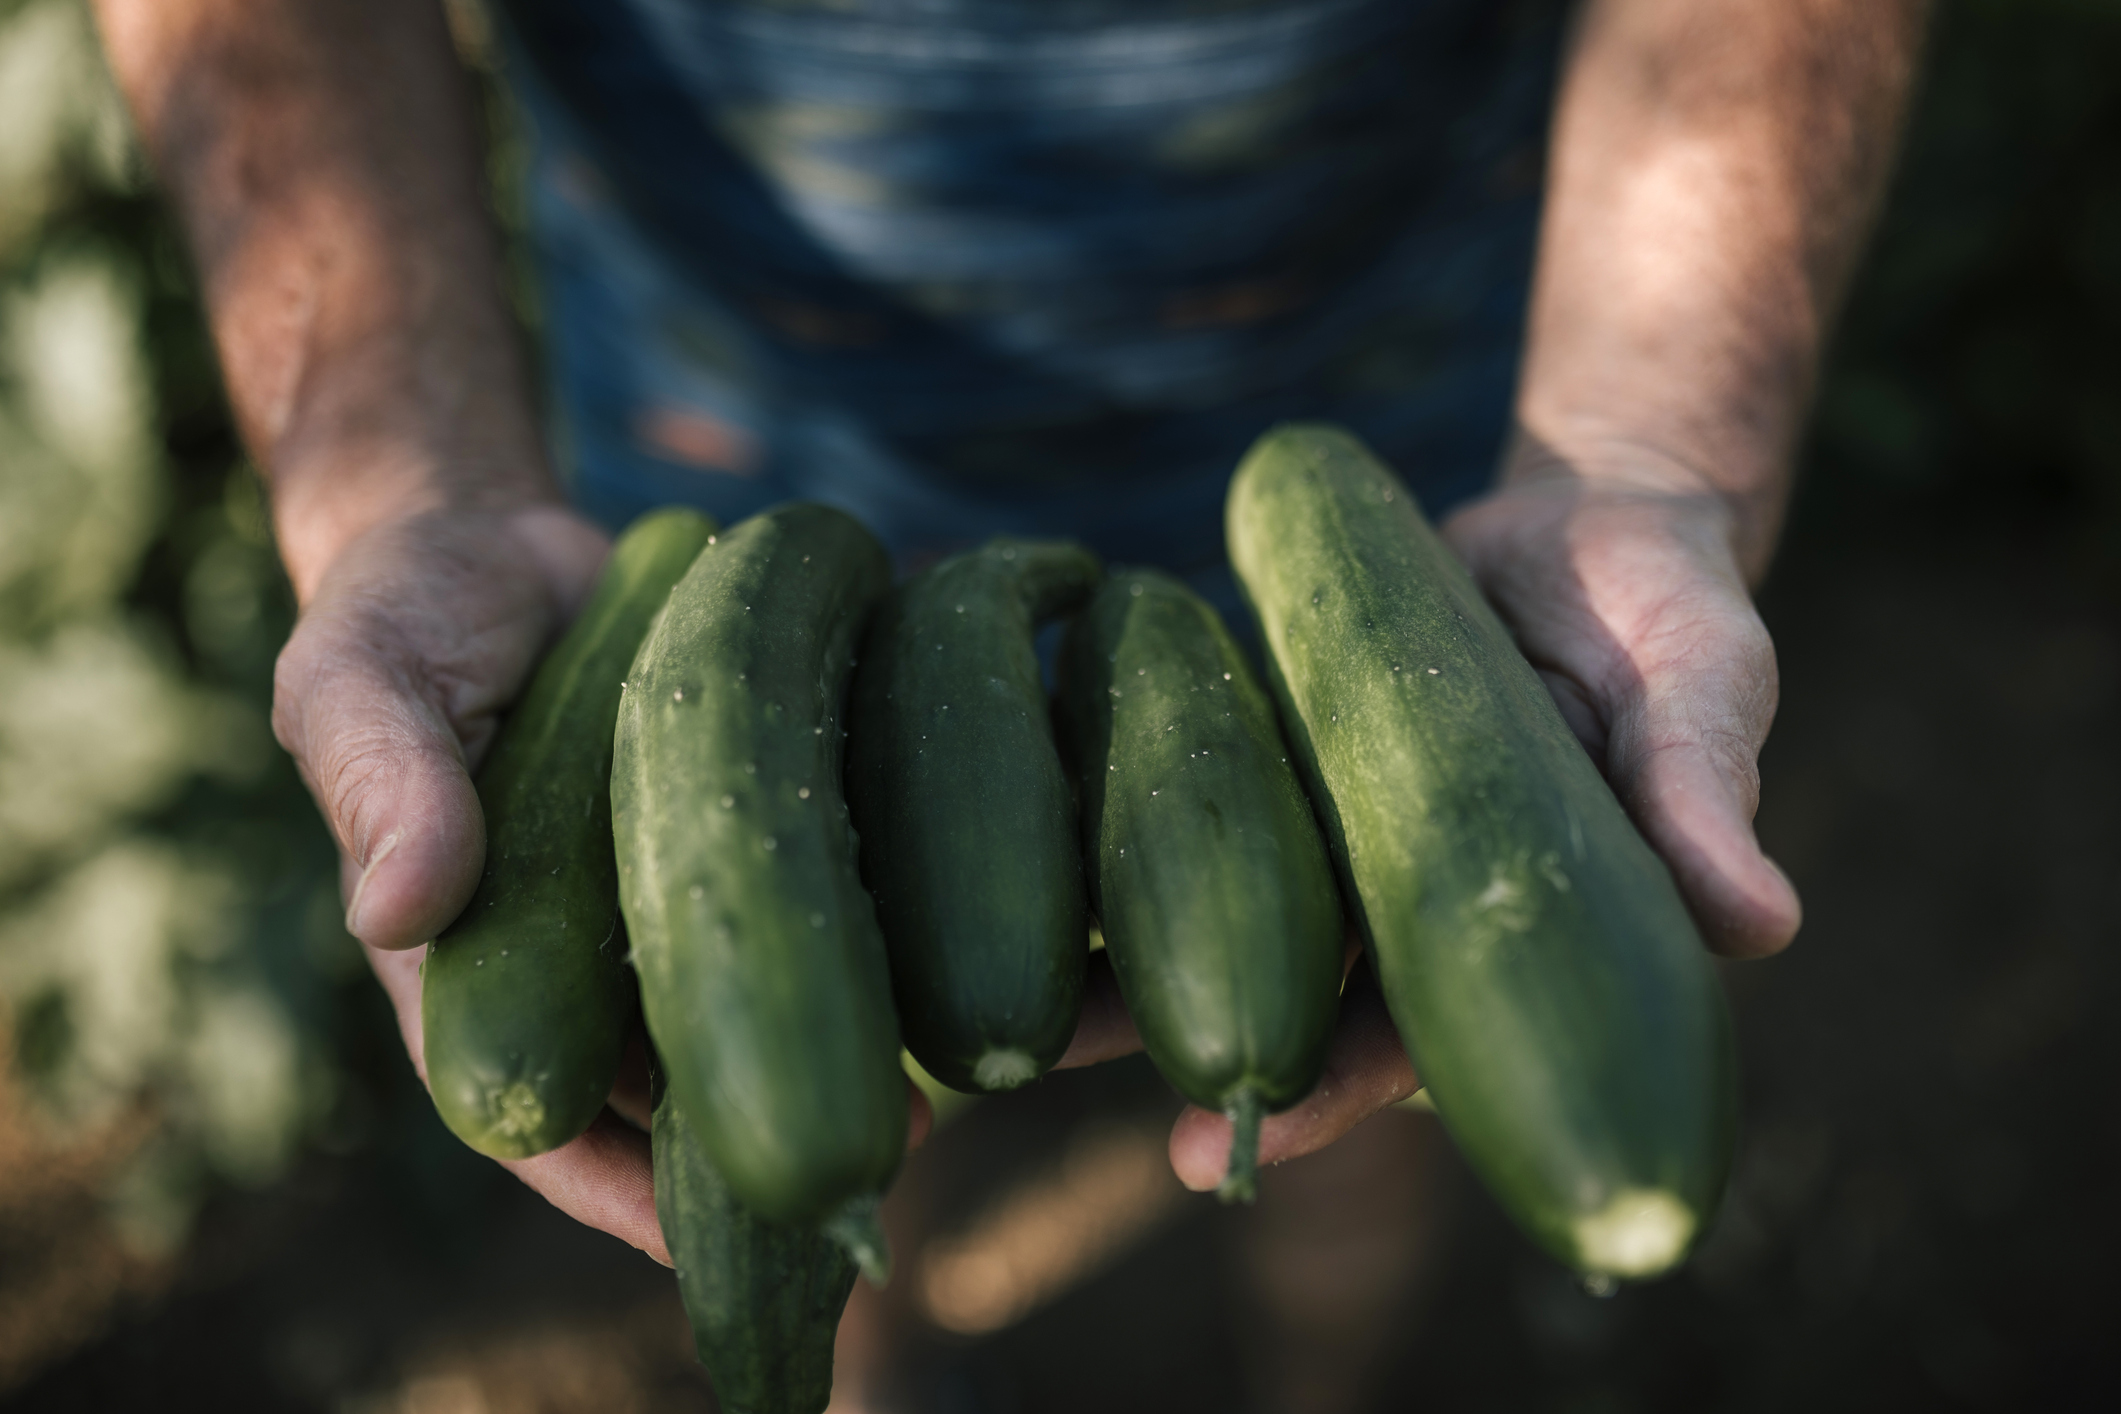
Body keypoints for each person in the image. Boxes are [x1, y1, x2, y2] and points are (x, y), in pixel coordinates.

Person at [91, 0, 1925, 1275]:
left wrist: (1640, 445)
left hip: (1429, 420)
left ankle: (1324, 1374)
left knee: (1359, 1070)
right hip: (719, 429)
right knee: (839, 1062)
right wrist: (406, 481)